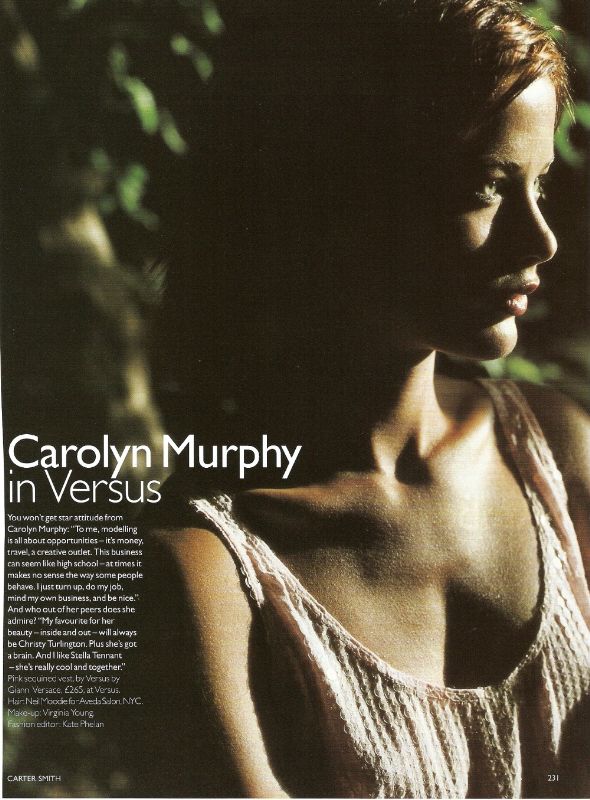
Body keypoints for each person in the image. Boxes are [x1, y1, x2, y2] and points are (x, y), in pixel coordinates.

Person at [135, 1, 590, 797]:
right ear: (337, 197)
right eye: (486, 186)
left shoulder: (558, 452)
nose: (541, 239)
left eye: (539, 184)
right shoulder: (206, 573)